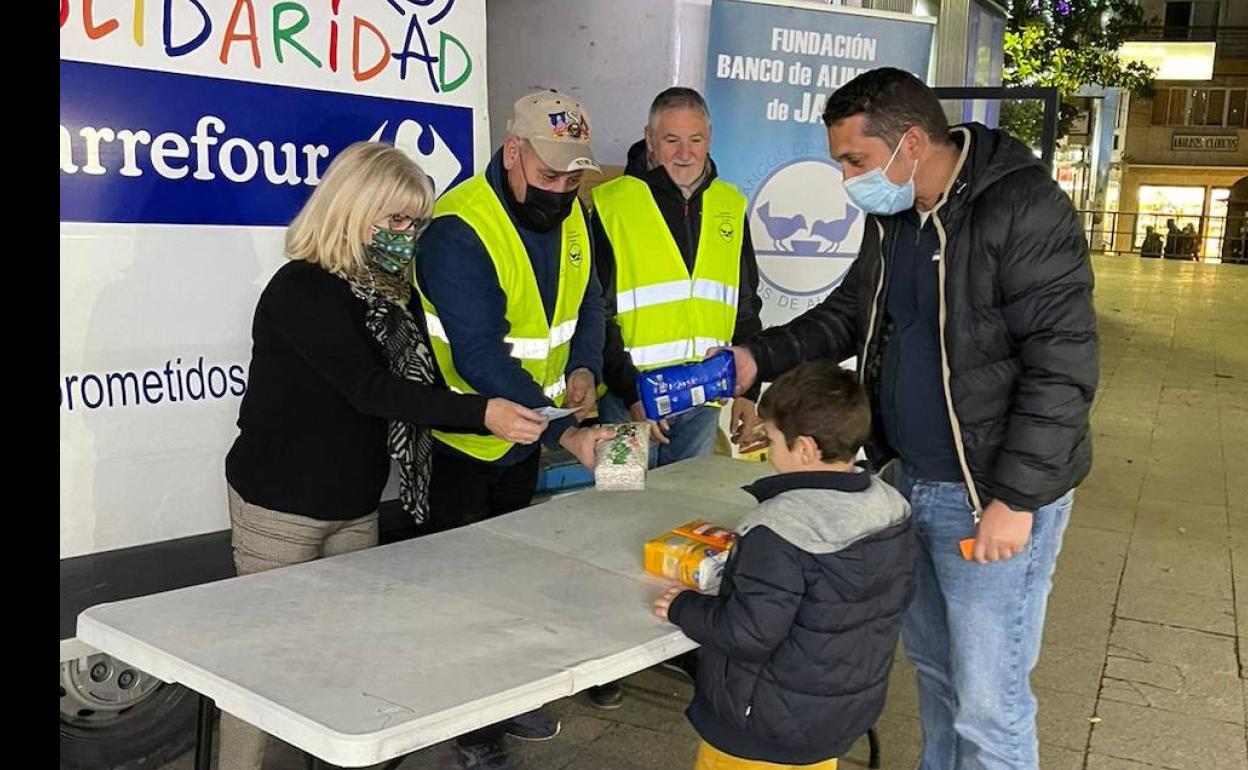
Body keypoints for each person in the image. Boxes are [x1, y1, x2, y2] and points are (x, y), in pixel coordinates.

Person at [722, 68, 1098, 770]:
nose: (846, 179)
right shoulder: (895, 218)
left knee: (990, 704)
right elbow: (848, 316)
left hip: (985, 494)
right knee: (934, 672)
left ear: (913, 143)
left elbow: (1063, 365)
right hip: (907, 483)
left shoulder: (1023, 208)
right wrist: (755, 359)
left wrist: (1016, 500)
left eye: (855, 160)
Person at [220, 142, 547, 770]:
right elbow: (370, 390)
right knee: (263, 664)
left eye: (415, 222)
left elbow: (426, 375)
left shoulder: (391, 294)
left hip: (354, 502)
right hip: (281, 507)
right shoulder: (303, 288)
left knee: (345, 657)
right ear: (351, 209)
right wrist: (482, 412)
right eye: (395, 219)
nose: (406, 235)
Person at [415, 91, 613, 770]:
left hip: (527, 436)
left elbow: (589, 301)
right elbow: (479, 356)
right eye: (550, 175)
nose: (561, 192)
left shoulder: (574, 211)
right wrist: (564, 433)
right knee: (461, 593)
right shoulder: (460, 228)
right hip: (465, 444)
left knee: (511, 583)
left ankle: (503, 695)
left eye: (573, 180)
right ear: (512, 152)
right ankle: (470, 725)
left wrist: (585, 367)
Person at [653, 361, 915, 770]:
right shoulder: (890, 505)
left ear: (805, 448)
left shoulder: (778, 529)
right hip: (833, 718)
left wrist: (682, 606)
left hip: (758, 729)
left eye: (772, 438)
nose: (767, 448)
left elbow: (747, 633)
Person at [591, 86, 763, 465]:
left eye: (695, 139)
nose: (685, 153)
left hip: (702, 401)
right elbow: (594, 313)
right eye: (672, 140)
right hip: (628, 401)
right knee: (618, 495)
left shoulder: (730, 204)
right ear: (649, 139)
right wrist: (631, 391)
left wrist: (748, 392)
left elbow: (746, 305)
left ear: (709, 139)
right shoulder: (610, 205)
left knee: (685, 502)